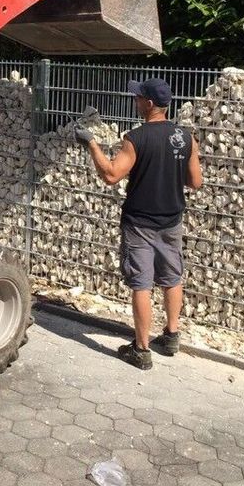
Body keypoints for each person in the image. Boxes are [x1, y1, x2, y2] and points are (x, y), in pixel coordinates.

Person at [74, 78, 202, 370]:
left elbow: (110, 175)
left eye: (138, 98)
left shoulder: (136, 138)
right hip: (172, 221)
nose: (135, 101)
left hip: (140, 222)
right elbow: (196, 181)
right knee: (172, 277)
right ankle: (171, 336)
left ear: (149, 104)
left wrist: (91, 143)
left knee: (142, 284)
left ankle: (141, 350)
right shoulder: (186, 137)